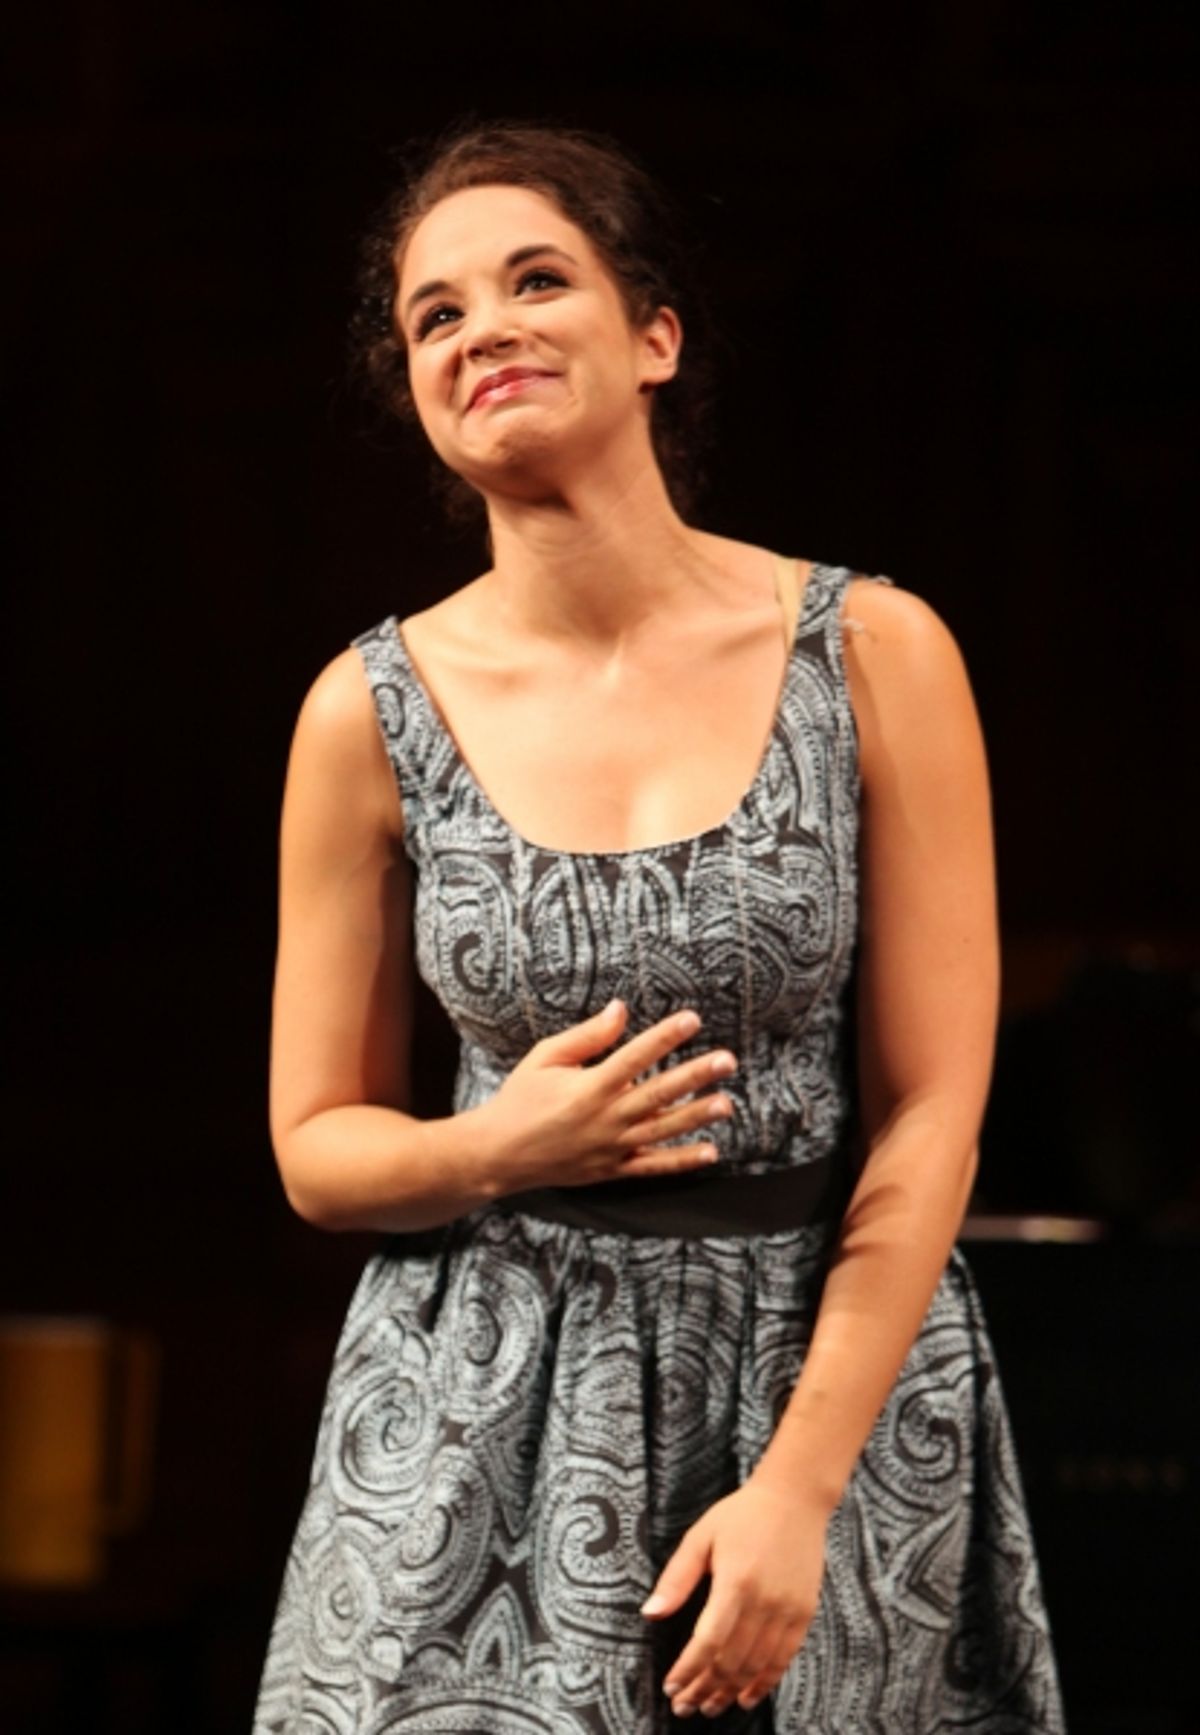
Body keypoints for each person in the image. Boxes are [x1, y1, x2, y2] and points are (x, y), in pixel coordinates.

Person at [253, 121, 1065, 1733]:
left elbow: (933, 1105)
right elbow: (316, 1146)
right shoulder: (368, 710)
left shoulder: (874, 652)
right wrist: (499, 1147)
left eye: (535, 279)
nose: (481, 326)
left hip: (814, 1373)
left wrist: (798, 1491)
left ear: (654, 338)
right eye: (435, 315)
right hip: (477, 1394)